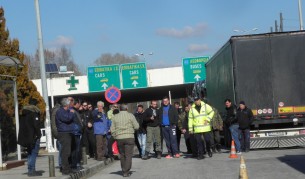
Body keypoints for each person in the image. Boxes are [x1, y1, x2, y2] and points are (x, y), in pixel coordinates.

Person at [111, 104, 139, 177]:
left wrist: (115, 136)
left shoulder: (115, 117)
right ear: (126, 109)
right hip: (129, 137)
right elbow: (136, 126)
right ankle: (126, 170)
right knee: (128, 155)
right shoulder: (131, 116)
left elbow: (112, 129)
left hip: (119, 138)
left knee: (122, 155)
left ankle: (124, 170)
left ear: (120, 109)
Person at [17, 98, 42, 177]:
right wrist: (39, 135)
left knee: (30, 153)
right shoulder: (34, 113)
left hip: (26, 137)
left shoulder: (24, 114)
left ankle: (30, 170)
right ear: (35, 105)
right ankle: (32, 170)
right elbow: (36, 125)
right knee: (34, 153)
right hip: (33, 137)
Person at [55, 98, 76, 175]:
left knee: (70, 151)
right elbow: (67, 118)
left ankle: (69, 168)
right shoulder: (60, 111)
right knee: (65, 152)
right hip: (64, 133)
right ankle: (65, 169)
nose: (71, 104)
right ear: (66, 104)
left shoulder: (67, 111)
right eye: (69, 103)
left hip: (69, 132)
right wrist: (71, 113)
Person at [51, 101, 62, 171]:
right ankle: (61, 164)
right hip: (59, 132)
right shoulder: (58, 111)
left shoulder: (53, 111)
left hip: (57, 133)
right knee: (62, 149)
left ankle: (61, 164)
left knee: (61, 149)